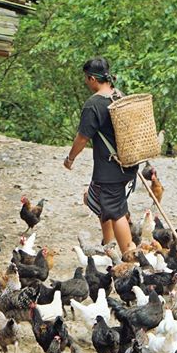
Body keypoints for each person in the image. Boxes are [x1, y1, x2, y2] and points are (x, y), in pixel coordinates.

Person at [63, 57, 139, 253]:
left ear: (92, 79)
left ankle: (128, 255)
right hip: (127, 163)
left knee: (116, 211)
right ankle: (108, 244)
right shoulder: (120, 96)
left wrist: (70, 158)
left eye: (86, 79)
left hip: (110, 169)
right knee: (93, 197)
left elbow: (82, 138)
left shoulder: (93, 104)